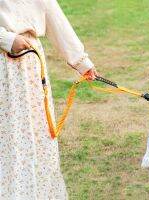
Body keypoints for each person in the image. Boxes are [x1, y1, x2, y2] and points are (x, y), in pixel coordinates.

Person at [0, 0, 97, 199]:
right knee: (9, 135)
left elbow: (54, 17)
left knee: (37, 134)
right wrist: (6, 39)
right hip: (4, 64)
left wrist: (81, 61)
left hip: (30, 64)